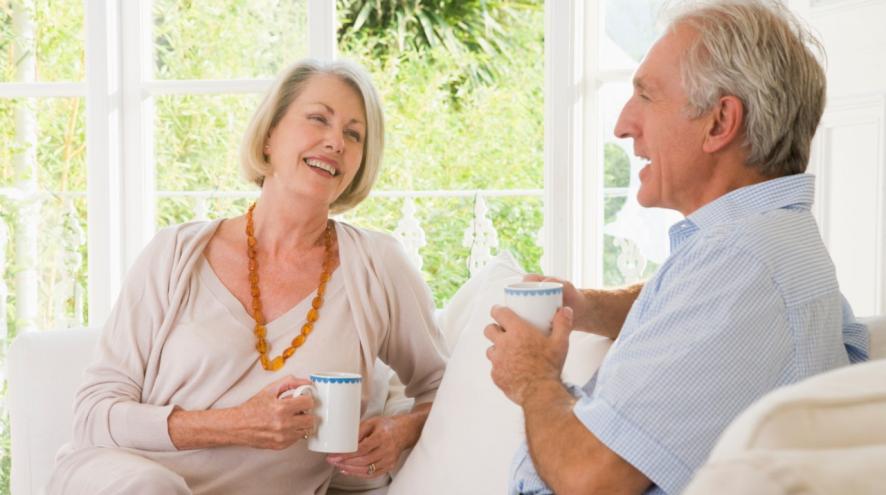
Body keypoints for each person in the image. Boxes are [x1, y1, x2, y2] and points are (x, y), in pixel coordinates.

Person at [484, 1, 871, 494]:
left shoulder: (739, 261)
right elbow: (691, 315)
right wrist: (588, 308)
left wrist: (533, 377)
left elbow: (590, 479)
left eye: (646, 95)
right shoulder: (766, 247)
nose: (622, 125)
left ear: (719, 123)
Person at [48, 59, 447, 495]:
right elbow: (93, 415)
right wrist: (237, 424)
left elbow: (445, 385)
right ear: (270, 134)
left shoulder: (377, 266)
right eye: (318, 119)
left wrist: (400, 431)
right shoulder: (174, 253)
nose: (336, 141)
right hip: (126, 478)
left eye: (354, 135)